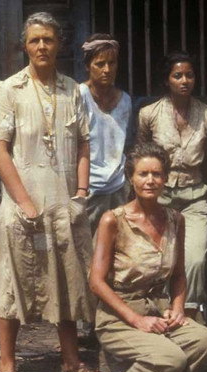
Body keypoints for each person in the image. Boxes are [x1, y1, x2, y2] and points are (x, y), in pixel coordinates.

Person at [0, 12, 100, 372]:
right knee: (12, 279)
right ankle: (7, 362)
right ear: (25, 46)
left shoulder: (72, 90)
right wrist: (24, 202)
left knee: (67, 278)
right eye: (35, 40)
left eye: (48, 39)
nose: (42, 46)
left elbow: (83, 144)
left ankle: (70, 359)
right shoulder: (11, 89)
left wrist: (80, 193)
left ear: (59, 44)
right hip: (22, 206)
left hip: (63, 203)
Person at [88, 144, 207, 372]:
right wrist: (136, 320)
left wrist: (178, 308)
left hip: (159, 311)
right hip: (119, 316)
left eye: (157, 174)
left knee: (204, 339)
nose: (150, 181)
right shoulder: (113, 220)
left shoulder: (175, 219)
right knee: (171, 357)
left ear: (166, 178)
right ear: (131, 178)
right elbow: (96, 282)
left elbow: (179, 275)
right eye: (143, 174)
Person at [137, 51, 207, 318]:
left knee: (195, 259)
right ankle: (158, 314)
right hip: (159, 198)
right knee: (158, 258)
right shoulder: (149, 114)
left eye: (189, 75)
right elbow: (142, 156)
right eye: (177, 76)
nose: (184, 81)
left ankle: (189, 315)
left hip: (195, 197)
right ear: (167, 80)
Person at [80, 33, 133, 235]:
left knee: (118, 243)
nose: (107, 70)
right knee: (87, 245)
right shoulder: (79, 95)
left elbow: (126, 144)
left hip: (118, 186)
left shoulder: (125, 100)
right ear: (88, 66)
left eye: (112, 63)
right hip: (88, 187)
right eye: (100, 64)